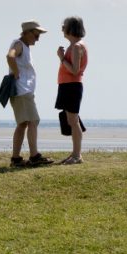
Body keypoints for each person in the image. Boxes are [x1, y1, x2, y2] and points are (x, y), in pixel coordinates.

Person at [6, 21, 54, 167]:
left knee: (22, 124)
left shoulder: (24, 46)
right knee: (33, 121)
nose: (38, 38)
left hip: (22, 92)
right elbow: (10, 56)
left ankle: (16, 159)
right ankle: (34, 156)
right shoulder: (19, 44)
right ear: (27, 33)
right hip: (22, 91)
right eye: (36, 35)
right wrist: (16, 73)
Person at [56, 16, 88, 165]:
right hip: (67, 85)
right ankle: (75, 153)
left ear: (71, 28)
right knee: (71, 120)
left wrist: (62, 58)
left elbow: (75, 70)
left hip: (72, 85)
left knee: (73, 121)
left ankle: (77, 155)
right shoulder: (74, 45)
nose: (62, 28)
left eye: (65, 26)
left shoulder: (76, 46)